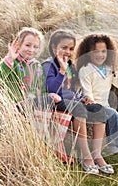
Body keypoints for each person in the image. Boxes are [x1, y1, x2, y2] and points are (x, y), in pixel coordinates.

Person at [0, 27, 70, 160]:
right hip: (15, 107)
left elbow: (42, 89)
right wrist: (9, 59)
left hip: (34, 106)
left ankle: (56, 145)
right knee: (45, 102)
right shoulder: (11, 62)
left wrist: (53, 92)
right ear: (18, 44)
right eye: (27, 45)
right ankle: (40, 147)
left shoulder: (36, 66)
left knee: (62, 105)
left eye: (35, 47)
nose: (31, 50)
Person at [43, 29, 113, 174]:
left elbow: (73, 90)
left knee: (98, 109)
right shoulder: (49, 64)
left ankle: (97, 155)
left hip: (73, 101)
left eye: (71, 49)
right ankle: (86, 157)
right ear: (54, 47)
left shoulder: (71, 66)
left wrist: (83, 98)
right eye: (64, 48)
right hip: (57, 101)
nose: (67, 52)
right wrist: (61, 70)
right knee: (79, 109)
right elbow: (52, 89)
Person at [75, 33, 118, 155]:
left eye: (103, 51)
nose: (100, 55)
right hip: (91, 106)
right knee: (114, 114)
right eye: (95, 52)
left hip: (104, 105)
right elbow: (86, 89)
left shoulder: (109, 68)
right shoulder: (86, 69)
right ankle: (113, 146)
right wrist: (90, 99)